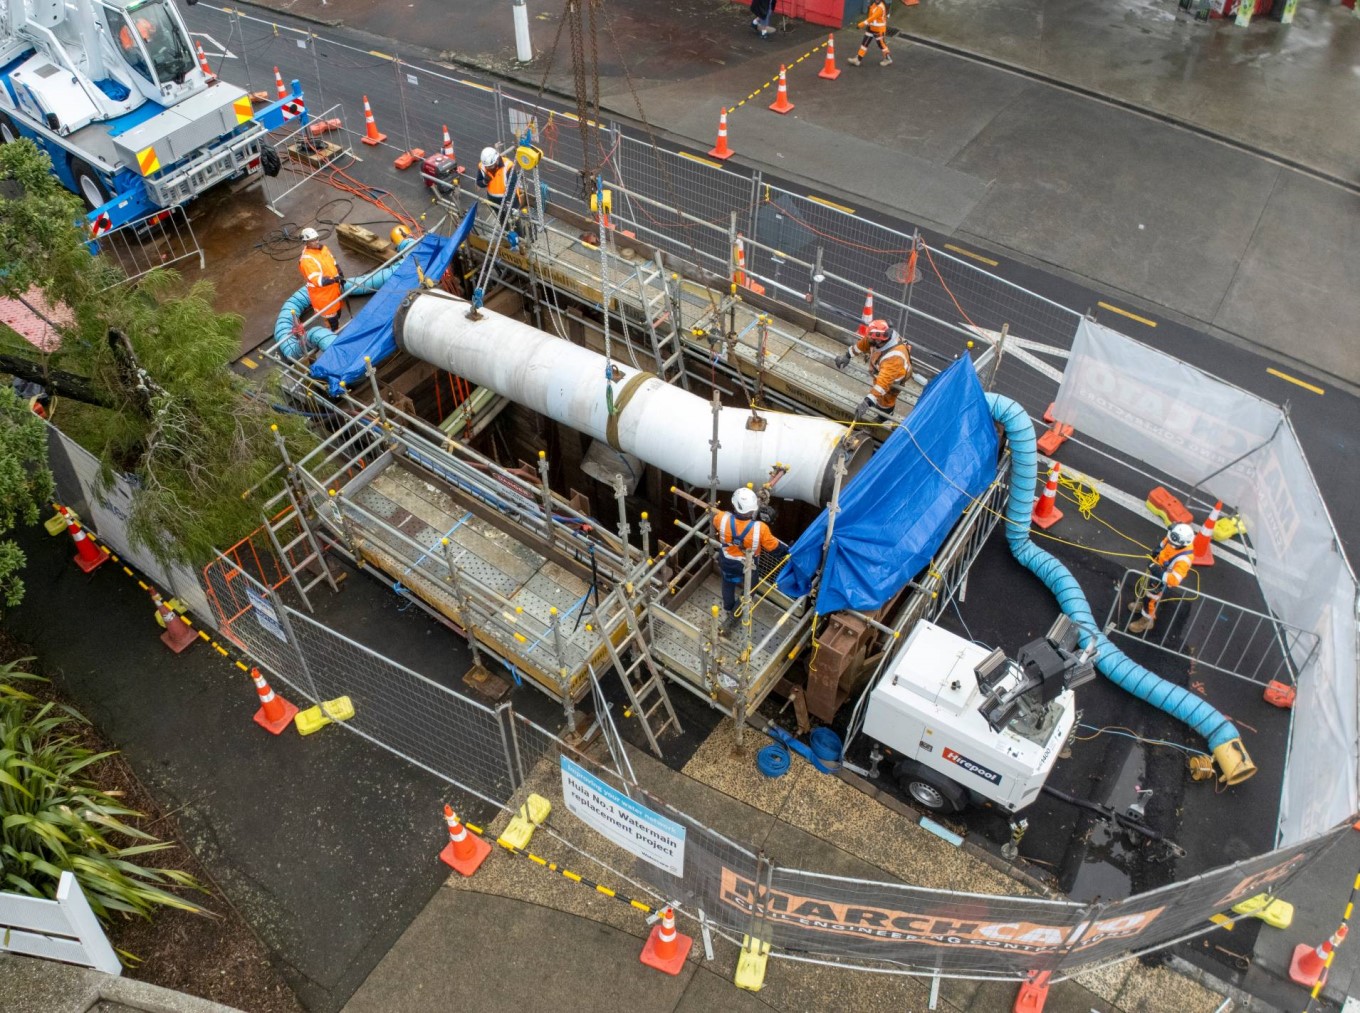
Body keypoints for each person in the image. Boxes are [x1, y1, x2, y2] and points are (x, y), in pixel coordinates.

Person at [712, 487, 788, 638]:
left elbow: (725, 521)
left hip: (726, 560)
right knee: (750, 591)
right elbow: (775, 548)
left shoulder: (721, 518)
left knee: (727, 582)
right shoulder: (761, 529)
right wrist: (788, 551)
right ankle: (733, 617)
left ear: (734, 505)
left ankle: (728, 608)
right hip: (747, 566)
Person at [833, 318, 912, 422]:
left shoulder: (894, 357)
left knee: (886, 399)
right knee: (878, 396)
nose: (868, 339)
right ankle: (878, 405)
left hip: (894, 378)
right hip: (882, 372)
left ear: (878, 340)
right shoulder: (878, 340)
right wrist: (848, 355)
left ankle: (884, 416)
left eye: (870, 338)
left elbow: (882, 385)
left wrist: (867, 402)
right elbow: (864, 343)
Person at [1127, 523, 1196, 634]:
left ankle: (1147, 620)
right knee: (1145, 591)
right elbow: (1165, 542)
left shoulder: (1184, 559)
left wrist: (1157, 570)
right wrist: (1157, 550)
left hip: (1161, 581)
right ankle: (1144, 607)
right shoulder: (1173, 539)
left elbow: (1174, 580)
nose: (1169, 540)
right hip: (1156, 572)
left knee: (1150, 599)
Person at [297, 227, 344, 334]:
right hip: (323, 296)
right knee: (332, 320)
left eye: (317, 238)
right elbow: (318, 281)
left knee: (338, 312)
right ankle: (333, 336)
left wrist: (340, 273)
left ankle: (336, 330)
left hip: (334, 290)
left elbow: (333, 262)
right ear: (306, 242)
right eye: (313, 240)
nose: (316, 241)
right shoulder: (306, 260)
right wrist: (334, 279)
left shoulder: (323, 249)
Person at [848, 0, 891, 67]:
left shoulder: (880, 7)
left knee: (881, 45)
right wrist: (868, 25)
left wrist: (861, 24)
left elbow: (872, 17)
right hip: (871, 28)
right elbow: (870, 15)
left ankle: (888, 59)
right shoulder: (873, 4)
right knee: (864, 43)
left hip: (879, 30)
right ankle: (858, 59)